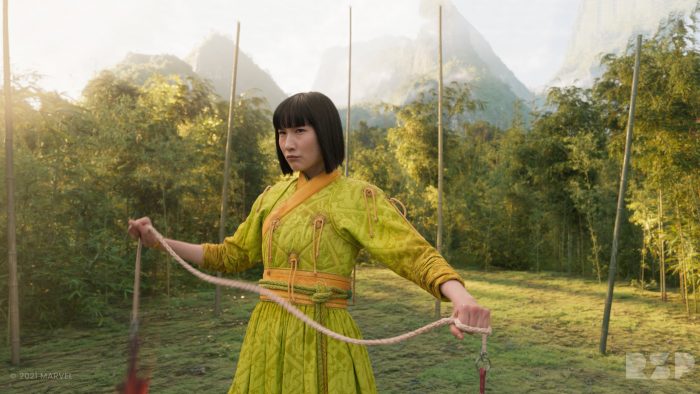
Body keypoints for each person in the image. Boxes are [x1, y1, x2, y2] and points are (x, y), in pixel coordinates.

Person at [128, 91, 490, 394]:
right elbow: (231, 255)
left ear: (326, 133)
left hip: (323, 336)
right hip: (267, 333)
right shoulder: (272, 196)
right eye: (282, 132)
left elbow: (413, 254)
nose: (287, 143)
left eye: (300, 130)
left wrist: (461, 297)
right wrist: (158, 240)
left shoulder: (356, 196)